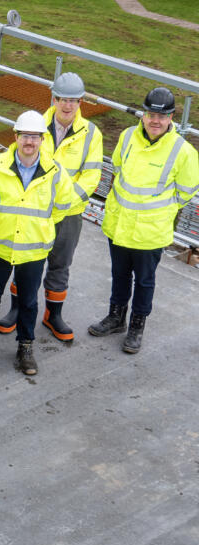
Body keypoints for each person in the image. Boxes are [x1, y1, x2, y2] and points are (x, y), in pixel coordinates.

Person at [88, 86, 199, 353]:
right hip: (120, 224)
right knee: (119, 274)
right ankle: (116, 318)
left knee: (145, 281)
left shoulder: (183, 152)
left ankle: (137, 326)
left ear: (171, 117)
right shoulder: (127, 137)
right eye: (150, 114)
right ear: (143, 114)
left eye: (161, 117)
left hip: (150, 232)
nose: (155, 121)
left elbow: (186, 192)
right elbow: (116, 170)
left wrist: (159, 211)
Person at [0, 72, 103, 341]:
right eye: (63, 99)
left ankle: (53, 315)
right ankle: (16, 310)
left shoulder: (91, 134)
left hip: (68, 213)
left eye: (74, 101)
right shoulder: (35, 124)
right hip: (34, 209)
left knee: (60, 263)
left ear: (81, 103)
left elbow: (92, 176)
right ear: (53, 98)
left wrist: (65, 202)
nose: (68, 106)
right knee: (25, 257)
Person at [0, 111, 77, 376]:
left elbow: (62, 207)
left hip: (33, 250)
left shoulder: (55, 173)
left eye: (35, 137)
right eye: (25, 136)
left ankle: (25, 347)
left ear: (42, 140)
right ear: (15, 136)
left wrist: (39, 230)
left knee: (28, 301)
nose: (29, 141)